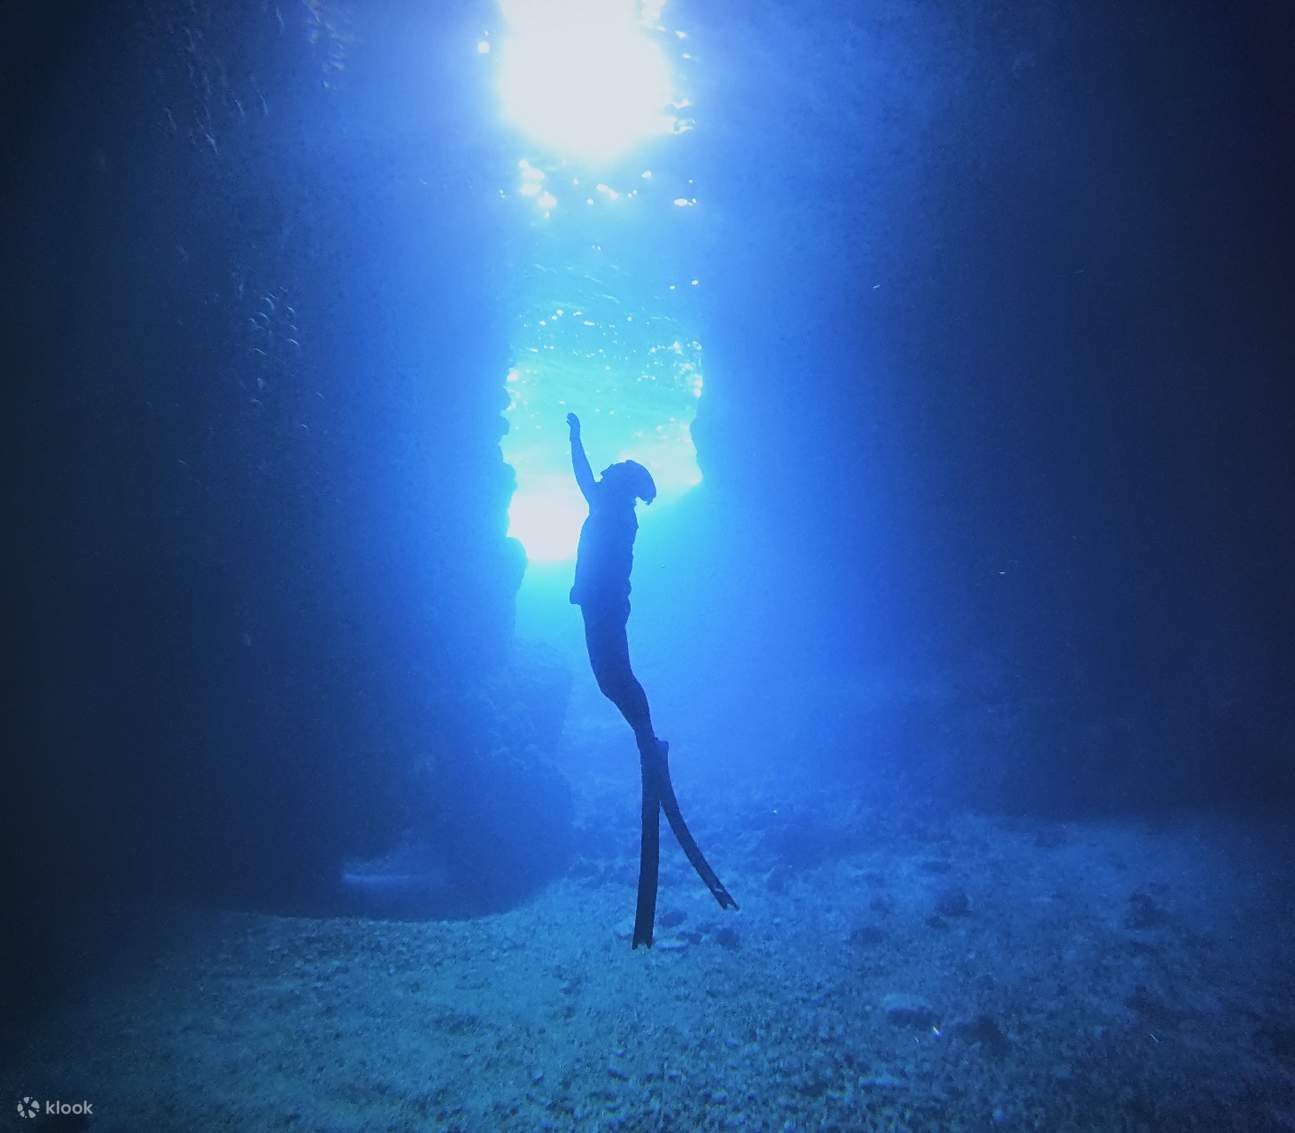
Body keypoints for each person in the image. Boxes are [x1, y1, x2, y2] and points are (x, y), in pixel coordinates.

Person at [566, 413, 737, 948]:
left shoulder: (614, 511)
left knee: (612, 676)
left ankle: (642, 727)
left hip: (604, 607)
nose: (609, 471)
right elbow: (586, 477)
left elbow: (586, 482)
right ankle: (642, 728)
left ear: (622, 484)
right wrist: (576, 437)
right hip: (602, 606)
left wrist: (577, 440)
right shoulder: (611, 505)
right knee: (610, 677)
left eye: (617, 470)